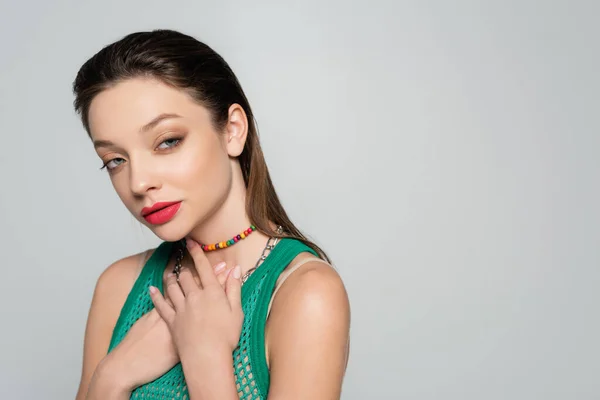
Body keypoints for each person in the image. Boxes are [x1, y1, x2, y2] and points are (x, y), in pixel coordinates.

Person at [72, 29, 351, 400]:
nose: (138, 182)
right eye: (115, 161)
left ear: (232, 130)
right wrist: (112, 377)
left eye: (167, 141)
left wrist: (206, 359)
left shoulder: (305, 294)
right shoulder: (119, 285)